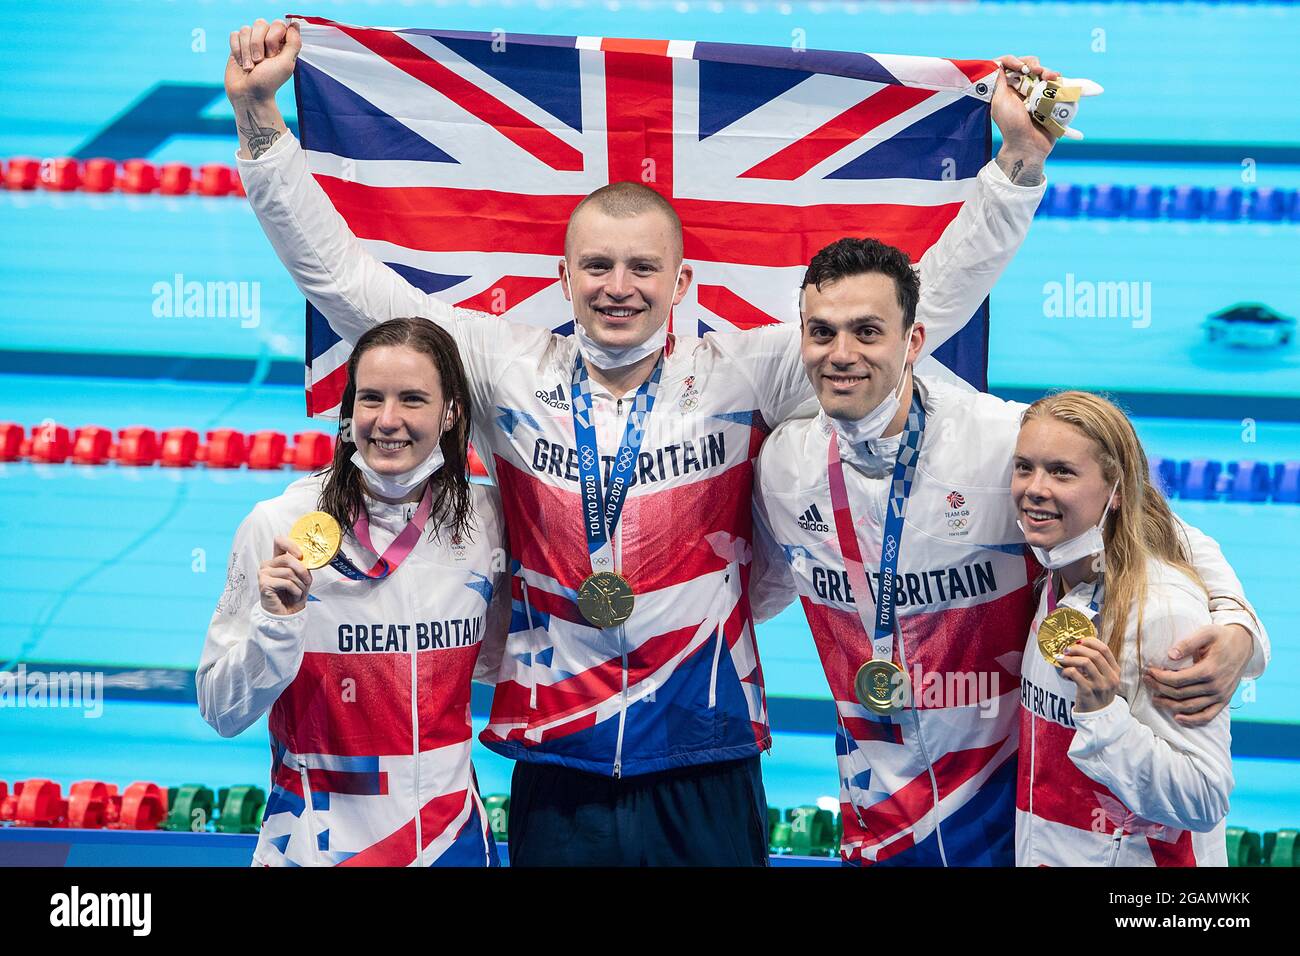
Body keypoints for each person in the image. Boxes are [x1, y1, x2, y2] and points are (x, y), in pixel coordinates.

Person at [227, 16, 1059, 865]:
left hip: (707, 751)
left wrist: (1017, 167)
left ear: (681, 281)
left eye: (642, 269)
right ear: (563, 275)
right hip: (559, 756)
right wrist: (262, 129)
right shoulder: (502, 368)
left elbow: (914, 311)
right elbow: (346, 285)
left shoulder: (740, 372)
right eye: (595, 266)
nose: (617, 288)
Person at [752, 237, 1268, 866]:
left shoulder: (1000, 442)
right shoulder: (781, 463)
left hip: (1007, 812)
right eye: (822, 332)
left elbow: (1152, 526)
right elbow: (749, 589)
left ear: (912, 342)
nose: (841, 355)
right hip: (879, 818)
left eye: (867, 331)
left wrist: (1241, 629)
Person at [198, 318, 510, 866]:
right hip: (311, 847)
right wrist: (277, 625)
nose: (387, 420)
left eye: (412, 399)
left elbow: (498, 662)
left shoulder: (485, 522)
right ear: (348, 412)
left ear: (451, 413)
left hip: (449, 844)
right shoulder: (279, 524)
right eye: (371, 398)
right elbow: (220, 710)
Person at [1013, 392, 1241, 866]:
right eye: (1024, 467)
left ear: (1114, 491)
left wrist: (1102, 716)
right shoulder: (1060, 572)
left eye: (1062, 472)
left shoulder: (1162, 610)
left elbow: (1203, 797)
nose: (1035, 487)